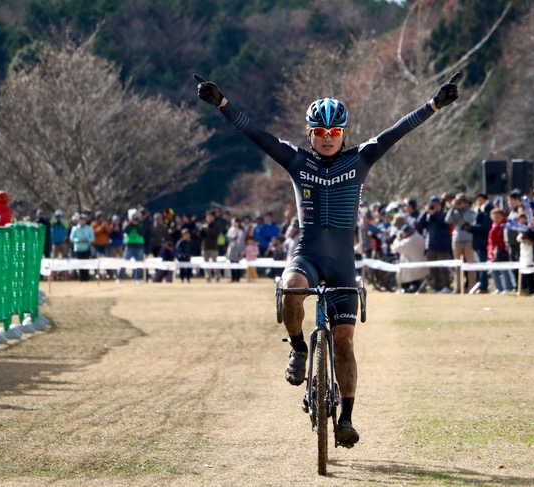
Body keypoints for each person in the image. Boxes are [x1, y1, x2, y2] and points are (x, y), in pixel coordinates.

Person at [196, 69, 461, 447]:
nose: (326, 140)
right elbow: (255, 133)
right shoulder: (296, 161)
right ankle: (300, 348)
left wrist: (434, 104)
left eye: (334, 133)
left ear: (344, 134)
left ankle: (347, 419)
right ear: (310, 134)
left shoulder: (361, 158)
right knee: (291, 289)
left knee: (344, 344)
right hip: (307, 254)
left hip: (342, 262)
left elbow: (398, 129)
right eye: (320, 133)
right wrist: (222, 104)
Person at [415, 195, 452, 293]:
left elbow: (444, 223)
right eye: (432, 204)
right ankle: (437, 286)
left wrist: (435, 213)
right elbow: (418, 225)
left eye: (436, 204)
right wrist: (425, 212)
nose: (434, 206)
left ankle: (446, 286)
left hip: (443, 245)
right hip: (430, 245)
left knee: (443, 267)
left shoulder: (444, 214)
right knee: (433, 268)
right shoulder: (428, 217)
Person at [444, 193, 476, 293]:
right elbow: (448, 220)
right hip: (457, 239)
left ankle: (472, 285)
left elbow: (470, 220)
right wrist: (452, 208)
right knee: (457, 264)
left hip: (468, 239)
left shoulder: (470, 211)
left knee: (470, 264)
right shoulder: (454, 211)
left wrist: (463, 210)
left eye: (461, 201)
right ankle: (458, 286)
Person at [390, 224, 429, 293]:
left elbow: (396, 247)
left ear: (407, 232)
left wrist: (397, 238)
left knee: (403, 265)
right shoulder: (419, 237)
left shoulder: (410, 240)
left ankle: (409, 286)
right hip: (422, 265)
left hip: (415, 268)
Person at [117, 210, 145, 284]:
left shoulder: (141, 224)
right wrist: (131, 223)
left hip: (139, 245)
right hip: (129, 246)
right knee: (124, 262)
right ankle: (119, 278)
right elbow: (125, 231)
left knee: (139, 263)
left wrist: (137, 224)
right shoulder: (127, 224)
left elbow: (141, 232)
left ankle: (137, 278)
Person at [69, 213, 94, 282]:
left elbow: (92, 238)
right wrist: (78, 240)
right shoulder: (75, 228)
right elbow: (71, 238)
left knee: (86, 263)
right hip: (78, 248)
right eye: (81, 220)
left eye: (83, 220)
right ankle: (81, 277)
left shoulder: (88, 228)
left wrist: (87, 241)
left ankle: (86, 277)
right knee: (80, 263)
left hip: (86, 248)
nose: (82, 221)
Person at [226, 218, 245, 283]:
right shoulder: (230, 230)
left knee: (237, 263)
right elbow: (228, 239)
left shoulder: (240, 231)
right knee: (231, 263)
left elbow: (241, 242)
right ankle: (233, 277)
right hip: (231, 248)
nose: (235, 224)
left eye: (236, 222)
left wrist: (240, 250)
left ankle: (237, 278)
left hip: (238, 248)